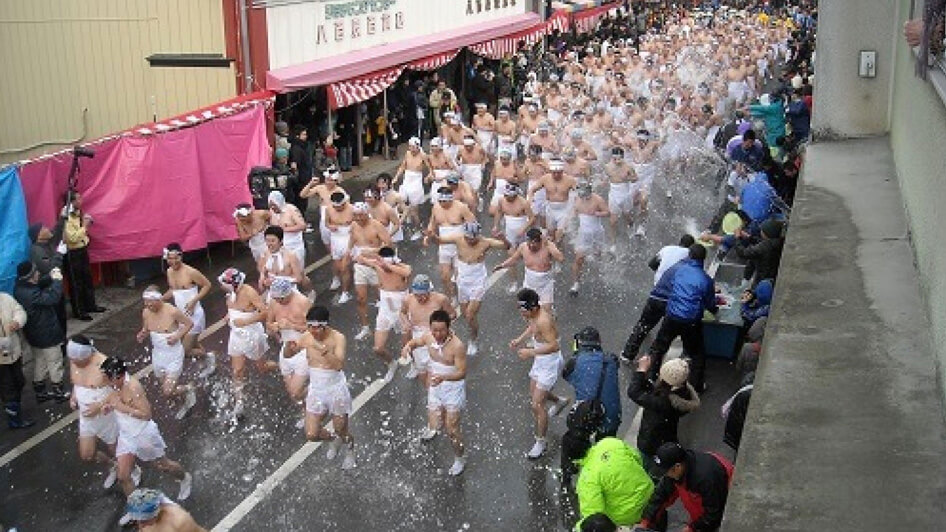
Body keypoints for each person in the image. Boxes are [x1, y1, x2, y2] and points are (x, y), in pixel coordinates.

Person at [98, 356, 192, 501]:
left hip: (143, 434)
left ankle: (184, 477)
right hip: (126, 436)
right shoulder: (114, 385)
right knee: (123, 476)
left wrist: (120, 407)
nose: (107, 382)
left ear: (120, 376)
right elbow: (114, 402)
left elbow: (146, 414)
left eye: (110, 379)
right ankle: (135, 509)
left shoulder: (133, 387)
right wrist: (109, 406)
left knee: (163, 466)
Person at [284, 305, 356, 470]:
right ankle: (332, 439)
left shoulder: (338, 338)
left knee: (342, 430)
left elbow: (338, 365)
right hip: (316, 389)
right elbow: (289, 355)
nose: (313, 331)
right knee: (311, 434)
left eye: (317, 328)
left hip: (335, 388)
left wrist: (322, 350)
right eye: (310, 327)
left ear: (326, 325)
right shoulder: (306, 337)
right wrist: (289, 349)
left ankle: (350, 447)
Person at [400, 309, 468, 475]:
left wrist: (444, 378)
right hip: (435, 386)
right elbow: (416, 342)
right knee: (435, 424)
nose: (437, 334)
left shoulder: (457, 346)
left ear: (448, 328)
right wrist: (407, 347)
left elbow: (462, 372)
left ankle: (460, 457)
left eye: (441, 330)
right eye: (434, 330)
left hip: (452, 388)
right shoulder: (428, 337)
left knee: (451, 429)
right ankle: (433, 429)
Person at [645, 244, 718, 392]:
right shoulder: (705, 280)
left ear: (689, 255)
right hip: (691, 321)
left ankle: (651, 377)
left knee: (659, 348)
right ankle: (696, 386)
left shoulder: (677, 269)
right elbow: (710, 303)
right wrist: (714, 309)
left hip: (671, 316)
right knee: (697, 354)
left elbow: (665, 286)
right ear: (703, 259)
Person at [510, 288, 570, 459]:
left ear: (533, 307)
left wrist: (530, 352)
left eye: (523, 309)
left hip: (549, 363)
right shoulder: (532, 315)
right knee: (534, 394)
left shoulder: (544, 320)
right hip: (540, 359)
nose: (521, 312)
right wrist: (519, 340)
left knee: (537, 404)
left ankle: (541, 442)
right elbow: (531, 329)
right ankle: (559, 401)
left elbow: (554, 346)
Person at [433, 221, 509, 355]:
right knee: (465, 314)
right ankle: (472, 329)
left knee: (470, 315)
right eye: (467, 238)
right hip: (463, 281)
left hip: (478, 282)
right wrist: (431, 235)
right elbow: (439, 240)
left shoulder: (485, 242)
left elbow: (506, 246)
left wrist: (502, 238)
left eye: (472, 239)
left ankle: (473, 340)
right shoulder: (458, 238)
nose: (469, 241)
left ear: (478, 236)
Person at [67, 335, 133, 489]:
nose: (74, 363)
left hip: (106, 415)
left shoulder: (104, 364)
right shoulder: (74, 360)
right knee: (87, 455)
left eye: (77, 361)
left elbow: (121, 388)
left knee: (115, 449)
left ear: (87, 356)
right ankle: (113, 466)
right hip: (86, 417)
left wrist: (99, 405)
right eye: (72, 360)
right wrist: (74, 396)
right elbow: (77, 382)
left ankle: (129, 470)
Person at [620, 235, 696, 364]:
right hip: (673, 299)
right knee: (664, 333)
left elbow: (652, 264)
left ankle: (628, 355)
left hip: (657, 293)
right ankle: (651, 361)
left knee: (643, 324)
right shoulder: (690, 256)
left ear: (679, 242)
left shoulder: (666, 249)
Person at [628, 357, 700, 474]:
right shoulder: (683, 394)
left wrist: (641, 370)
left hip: (650, 442)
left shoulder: (662, 402)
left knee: (645, 465)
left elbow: (634, 392)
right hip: (667, 437)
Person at [218, 268, 274, 420]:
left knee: (262, 368)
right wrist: (228, 316)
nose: (222, 286)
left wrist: (246, 321)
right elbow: (232, 309)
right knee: (237, 370)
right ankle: (239, 402)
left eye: (225, 284)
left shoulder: (249, 292)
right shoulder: (229, 295)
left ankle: (282, 367)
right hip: (236, 334)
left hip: (252, 333)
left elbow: (265, 312)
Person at [638, 443, 733, 532]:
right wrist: (646, 520)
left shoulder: (706, 479)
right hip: (702, 513)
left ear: (677, 466)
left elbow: (714, 514)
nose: (665, 475)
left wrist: (692, 528)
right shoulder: (677, 471)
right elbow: (661, 494)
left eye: (666, 471)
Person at [135, 286, 197, 420]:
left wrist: (177, 336)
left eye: (150, 301)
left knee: (167, 391)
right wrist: (142, 334)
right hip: (158, 354)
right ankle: (186, 392)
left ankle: (188, 389)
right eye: (145, 302)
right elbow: (146, 328)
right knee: (167, 391)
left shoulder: (172, 311)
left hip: (173, 354)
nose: (148, 305)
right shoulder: (146, 312)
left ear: (158, 299)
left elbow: (189, 324)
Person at [14, 261, 70, 403]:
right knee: (55, 362)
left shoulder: (20, 287)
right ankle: (58, 391)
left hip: (34, 334)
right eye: (36, 272)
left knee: (40, 362)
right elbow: (52, 298)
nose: (39, 273)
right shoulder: (32, 294)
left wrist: (50, 277)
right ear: (31, 276)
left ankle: (40, 391)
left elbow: (37, 284)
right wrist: (57, 281)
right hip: (47, 333)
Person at [571, 437, 655, 529]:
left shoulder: (587, 478)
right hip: (650, 492)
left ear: (574, 460)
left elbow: (594, 516)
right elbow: (637, 457)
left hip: (630, 514)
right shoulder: (609, 443)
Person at [357, 246, 411, 383]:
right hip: (385, 312)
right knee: (378, 348)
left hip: (402, 313)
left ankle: (416, 365)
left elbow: (407, 271)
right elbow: (359, 257)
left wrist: (389, 264)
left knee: (407, 348)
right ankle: (392, 363)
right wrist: (375, 254)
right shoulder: (377, 265)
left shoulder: (401, 268)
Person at [162, 244, 215, 376]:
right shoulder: (169, 272)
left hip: (195, 315)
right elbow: (173, 289)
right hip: (182, 316)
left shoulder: (191, 272)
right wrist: (160, 299)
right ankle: (207, 363)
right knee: (194, 344)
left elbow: (207, 285)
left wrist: (194, 300)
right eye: (170, 259)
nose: (173, 262)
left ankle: (209, 357)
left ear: (181, 256)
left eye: (176, 258)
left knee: (184, 351)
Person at [265, 278, 312, 427]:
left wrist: (291, 325)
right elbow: (268, 324)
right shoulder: (274, 302)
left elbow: (316, 329)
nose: (278, 301)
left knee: (295, 392)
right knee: (292, 392)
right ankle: (306, 412)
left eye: (281, 298)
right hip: (286, 347)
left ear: (289, 293)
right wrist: (273, 327)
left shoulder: (303, 302)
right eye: (276, 298)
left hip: (303, 348)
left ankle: (318, 390)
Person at [562, 327, 622, 438]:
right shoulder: (611, 359)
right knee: (605, 448)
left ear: (579, 343)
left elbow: (566, 375)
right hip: (611, 416)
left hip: (585, 416)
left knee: (580, 449)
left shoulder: (575, 362)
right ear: (599, 341)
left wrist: (576, 354)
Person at [424, 187, 476, 306]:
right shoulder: (436, 208)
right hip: (444, 246)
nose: (442, 204)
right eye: (440, 201)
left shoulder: (461, 207)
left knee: (459, 277)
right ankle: (451, 297)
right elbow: (432, 224)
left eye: (444, 201)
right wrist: (427, 236)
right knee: (444, 277)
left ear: (450, 199)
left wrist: (472, 243)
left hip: (460, 247)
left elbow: (473, 224)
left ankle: (464, 296)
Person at [349, 202, 393, 341]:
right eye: (355, 216)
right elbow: (351, 242)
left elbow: (388, 244)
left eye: (361, 215)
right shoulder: (354, 225)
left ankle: (391, 318)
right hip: (360, 265)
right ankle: (365, 327)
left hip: (376, 265)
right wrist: (350, 254)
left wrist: (374, 251)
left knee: (383, 296)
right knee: (360, 298)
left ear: (367, 214)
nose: (358, 218)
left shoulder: (376, 225)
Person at [61, 191, 105, 320]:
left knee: (87, 279)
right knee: (76, 283)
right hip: (72, 253)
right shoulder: (66, 216)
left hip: (82, 250)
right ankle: (79, 311)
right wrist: (85, 227)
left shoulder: (78, 213)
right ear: (72, 201)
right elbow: (72, 238)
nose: (81, 200)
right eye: (78, 198)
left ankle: (90, 305)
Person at [570, 182, 610, 295]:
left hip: (597, 232)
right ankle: (575, 284)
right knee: (578, 259)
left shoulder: (598, 199)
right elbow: (574, 212)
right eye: (581, 194)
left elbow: (607, 212)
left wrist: (597, 213)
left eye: (585, 194)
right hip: (583, 234)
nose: (583, 197)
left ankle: (600, 276)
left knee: (598, 255)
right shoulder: (577, 199)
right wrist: (567, 224)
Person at [0, 289, 33, 428]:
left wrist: (17, 322)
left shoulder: (5, 298)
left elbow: (19, 310)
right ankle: (14, 419)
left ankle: (14, 409)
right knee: (8, 387)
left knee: (19, 381)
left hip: (14, 351)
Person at [393, 137, 430, 239]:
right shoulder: (408, 153)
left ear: (418, 147)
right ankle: (404, 221)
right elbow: (403, 166)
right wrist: (396, 177)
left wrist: (428, 176)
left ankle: (418, 229)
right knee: (400, 204)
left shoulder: (423, 156)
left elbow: (431, 169)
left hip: (416, 182)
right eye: (410, 147)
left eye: (413, 147)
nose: (411, 149)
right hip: (407, 180)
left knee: (414, 210)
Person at [123, 488, 206, 531]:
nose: (140, 525)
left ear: (156, 513)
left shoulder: (180, 521)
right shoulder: (146, 521)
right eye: (138, 520)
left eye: (144, 521)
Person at [325, 191, 355, 305]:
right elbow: (326, 223)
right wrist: (330, 226)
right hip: (335, 238)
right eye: (335, 207)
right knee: (336, 264)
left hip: (348, 237)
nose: (338, 209)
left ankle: (345, 292)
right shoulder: (329, 209)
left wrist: (350, 227)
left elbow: (359, 223)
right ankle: (336, 278)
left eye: (340, 206)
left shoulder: (352, 209)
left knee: (344, 267)